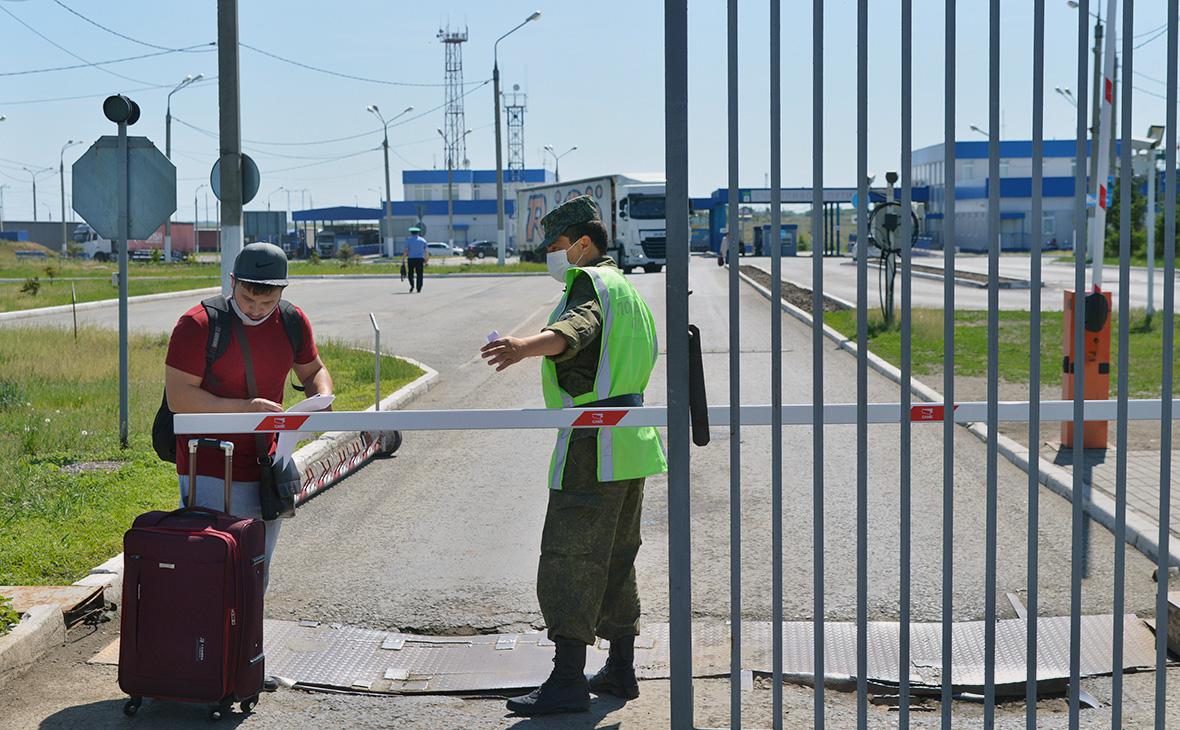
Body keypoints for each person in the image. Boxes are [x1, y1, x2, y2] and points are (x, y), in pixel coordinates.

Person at [480, 195, 667, 716]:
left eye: (558, 247)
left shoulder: (589, 284)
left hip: (594, 444)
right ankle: (621, 669)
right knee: (615, 559)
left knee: (570, 559)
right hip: (632, 442)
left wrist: (524, 346)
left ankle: (566, 681)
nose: (553, 257)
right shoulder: (626, 286)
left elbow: (575, 331)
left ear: (583, 243)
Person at [164, 243, 333, 693]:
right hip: (209, 464)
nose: (257, 309)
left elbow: (315, 369)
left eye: (267, 301)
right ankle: (205, 664)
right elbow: (181, 398)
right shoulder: (199, 324)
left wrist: (321, 395)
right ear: (232, 283)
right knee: (215, 565)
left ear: (282, 292)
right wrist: (248, 409)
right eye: (248, 299)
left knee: (256, 568)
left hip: (267, 463)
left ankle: (244, 662)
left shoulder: (292, 320)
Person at [401, 225, 429, 293]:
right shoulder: (423, 240)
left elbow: (406, 251)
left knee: (410, 273)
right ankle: (419, 288)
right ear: (418, 233)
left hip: (411, 259)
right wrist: (426, 259)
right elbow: (426, 251)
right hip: (420, 259)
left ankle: (412, 285)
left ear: (411, 233)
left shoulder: (408, 240)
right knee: (420, 274)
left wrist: (403, 259)